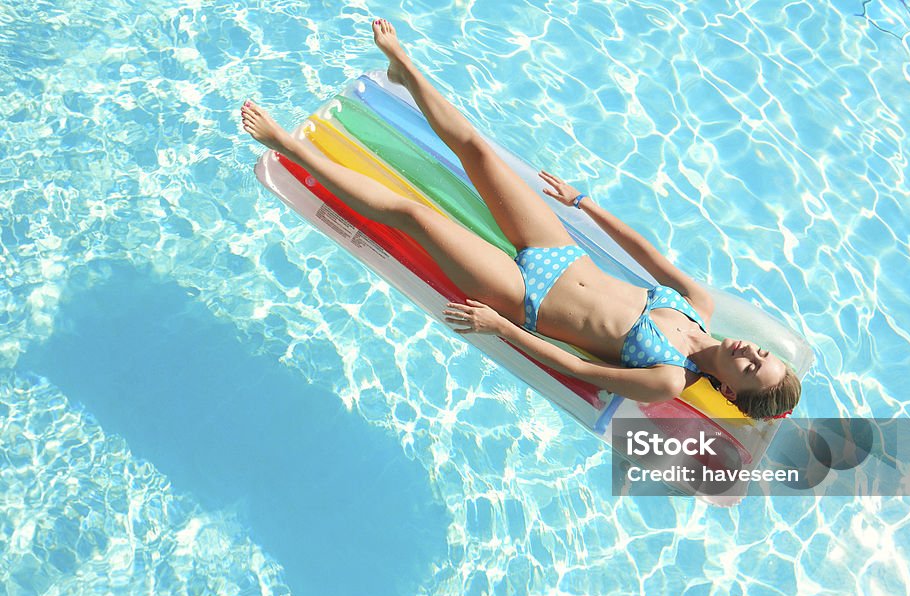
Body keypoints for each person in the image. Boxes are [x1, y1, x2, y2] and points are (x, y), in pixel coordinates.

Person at [240, 18, 801, 419]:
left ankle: (290, 145)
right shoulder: (696, 309)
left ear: (727, 392)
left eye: (751, 369)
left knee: (413, 215)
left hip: (524, 298)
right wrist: (585, 204)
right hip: (562, 251)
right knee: (479, 153)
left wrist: (501, 328)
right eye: (762, 354)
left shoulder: (666, 379)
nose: (750, 352)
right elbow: (648, 255)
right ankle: (406, 70)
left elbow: (577, 369)